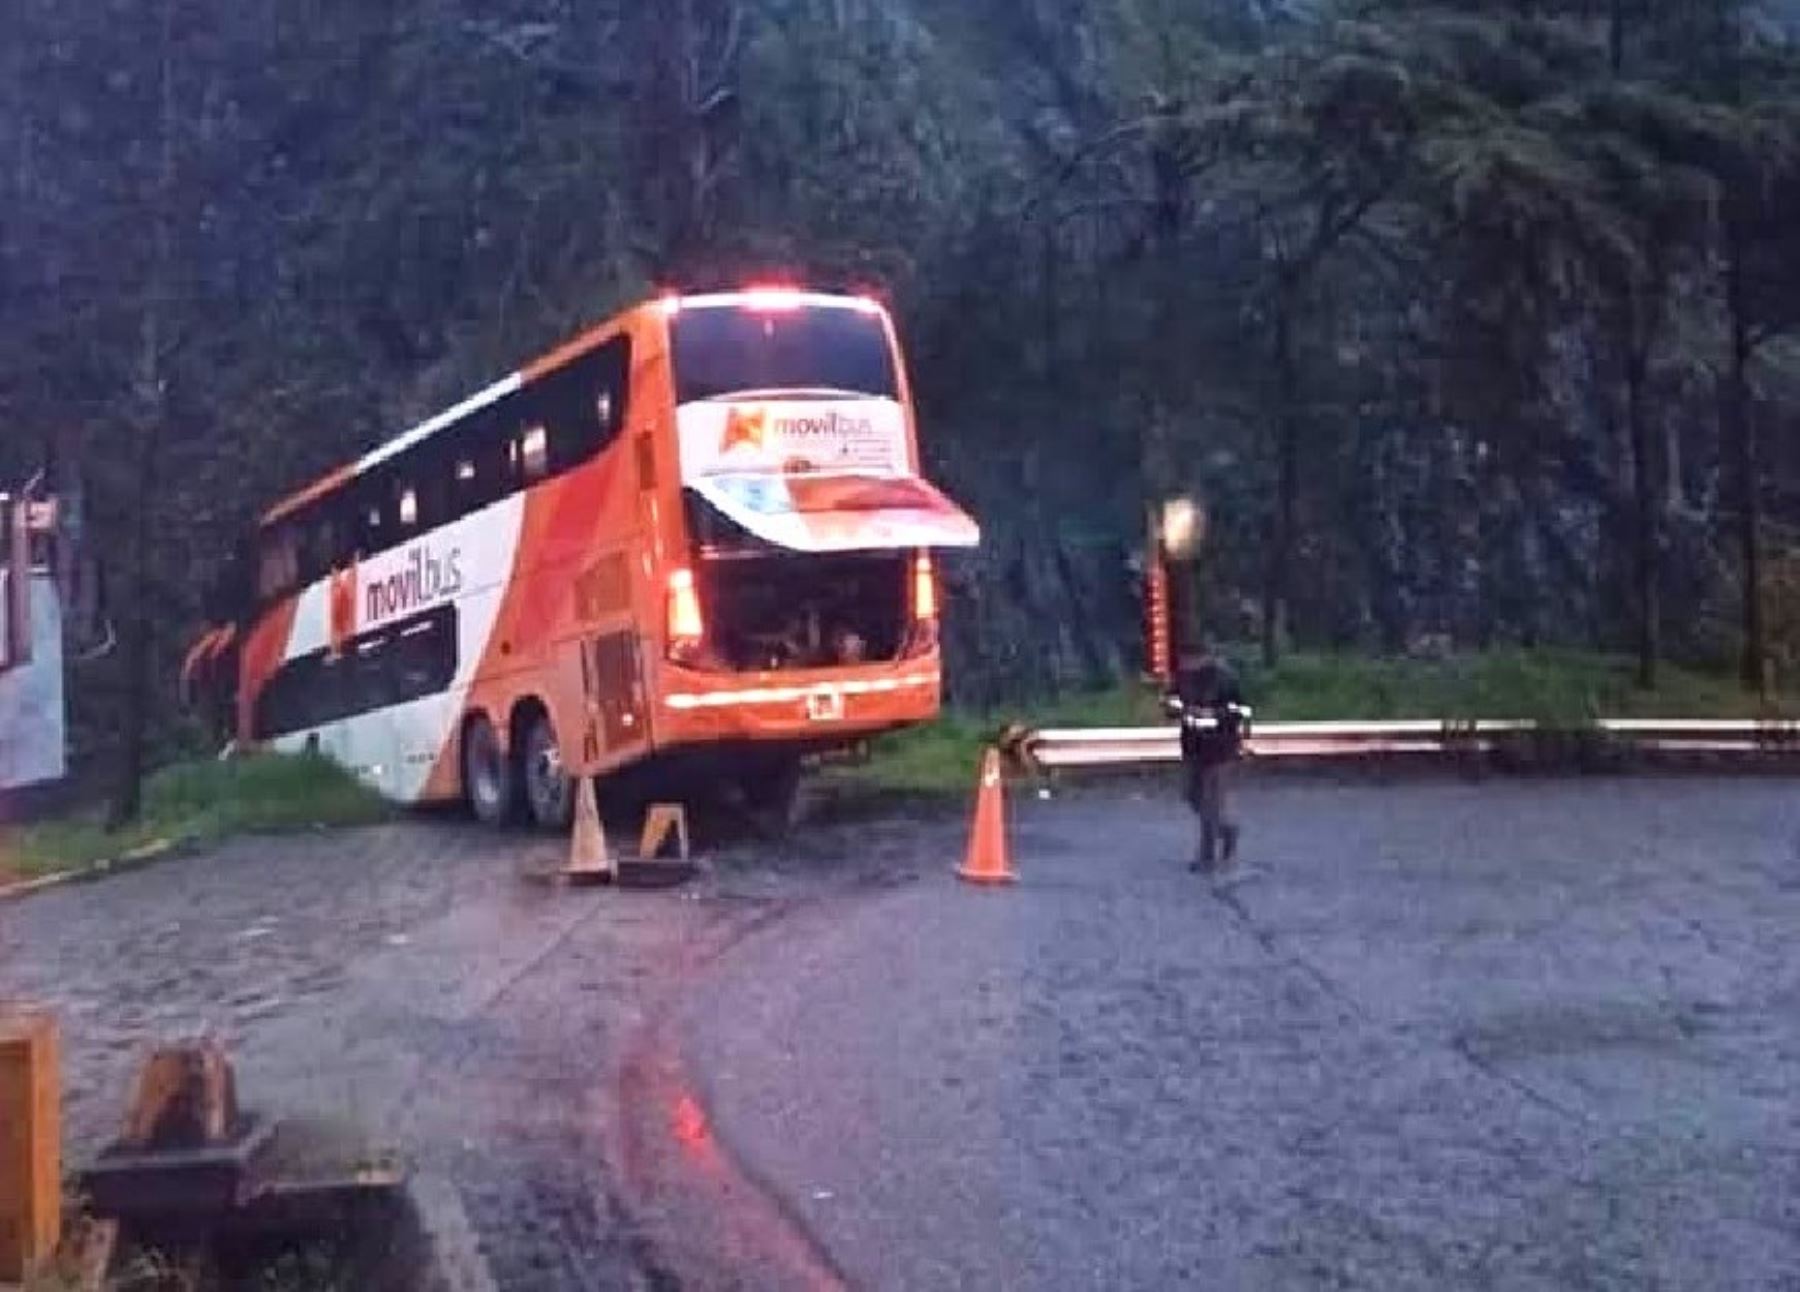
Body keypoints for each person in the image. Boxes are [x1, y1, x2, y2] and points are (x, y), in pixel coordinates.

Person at [1163, 644, 1250, 873]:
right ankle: (1226, 829)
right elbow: (1171, 702)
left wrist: (1215, 715)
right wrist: (1177, 709)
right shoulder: (1182, 678)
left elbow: (1242, 709)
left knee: (1212, 801)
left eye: (1191, 659)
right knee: (1191, 794)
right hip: (1193, 747)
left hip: (1221, 749)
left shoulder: (1226, 679)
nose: (1187, 665)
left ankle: (1207, 856)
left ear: (1204, 658)